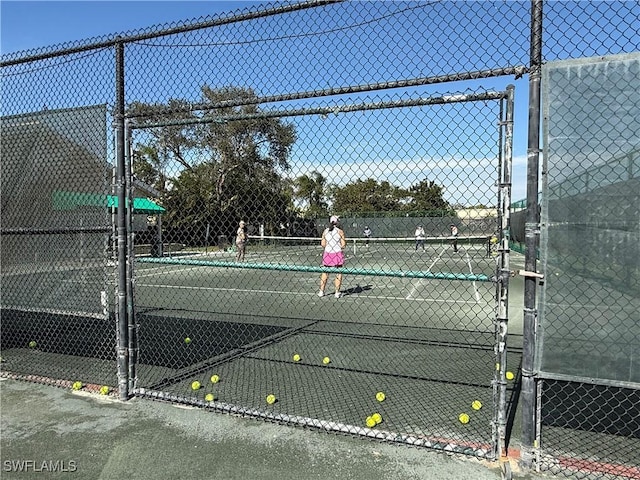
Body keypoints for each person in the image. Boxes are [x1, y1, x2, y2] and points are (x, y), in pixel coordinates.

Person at [318, 215, 346, 298]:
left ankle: (321, 291)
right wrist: (337, 246)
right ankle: (337, 292)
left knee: (325, 272)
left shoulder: (325, 231)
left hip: (327, 253)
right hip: (337, 253)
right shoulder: (340, 231)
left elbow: (323, 244)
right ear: (337, 222)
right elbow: (343, 245)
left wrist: (329, 246)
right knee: (339, 273)